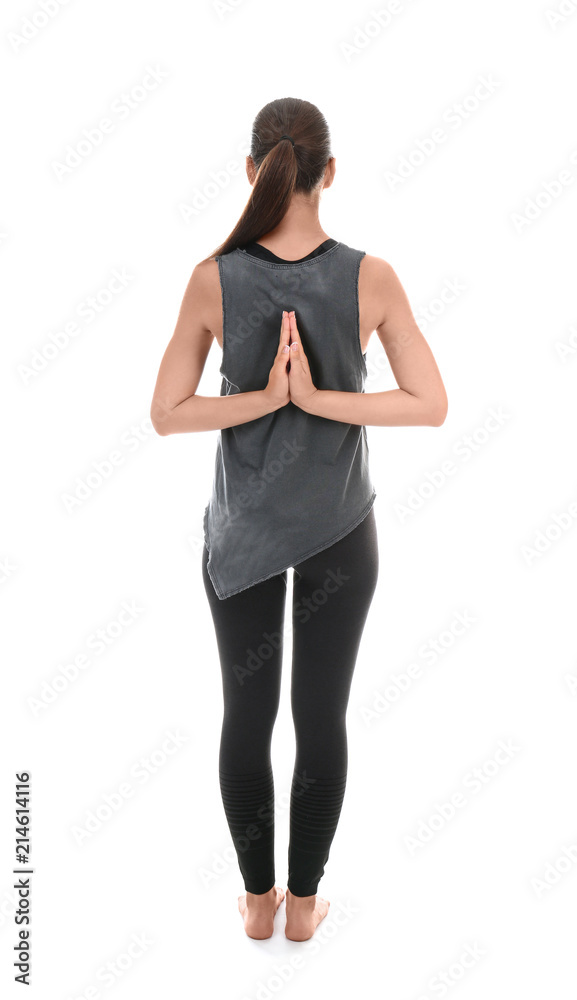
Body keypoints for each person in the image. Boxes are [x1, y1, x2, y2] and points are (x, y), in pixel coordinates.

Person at [150, 97, 448, 942]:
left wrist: (269, 399)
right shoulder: (371, 276)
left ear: (253, 172)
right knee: (322, 719)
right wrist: (320, 399)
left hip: (240, 534)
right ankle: (305, 907)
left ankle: (256, 905)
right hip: (342, 535)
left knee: (245, 718)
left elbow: (166, 413)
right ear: (329, 174)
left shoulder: (213, 276)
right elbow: (431, 404)